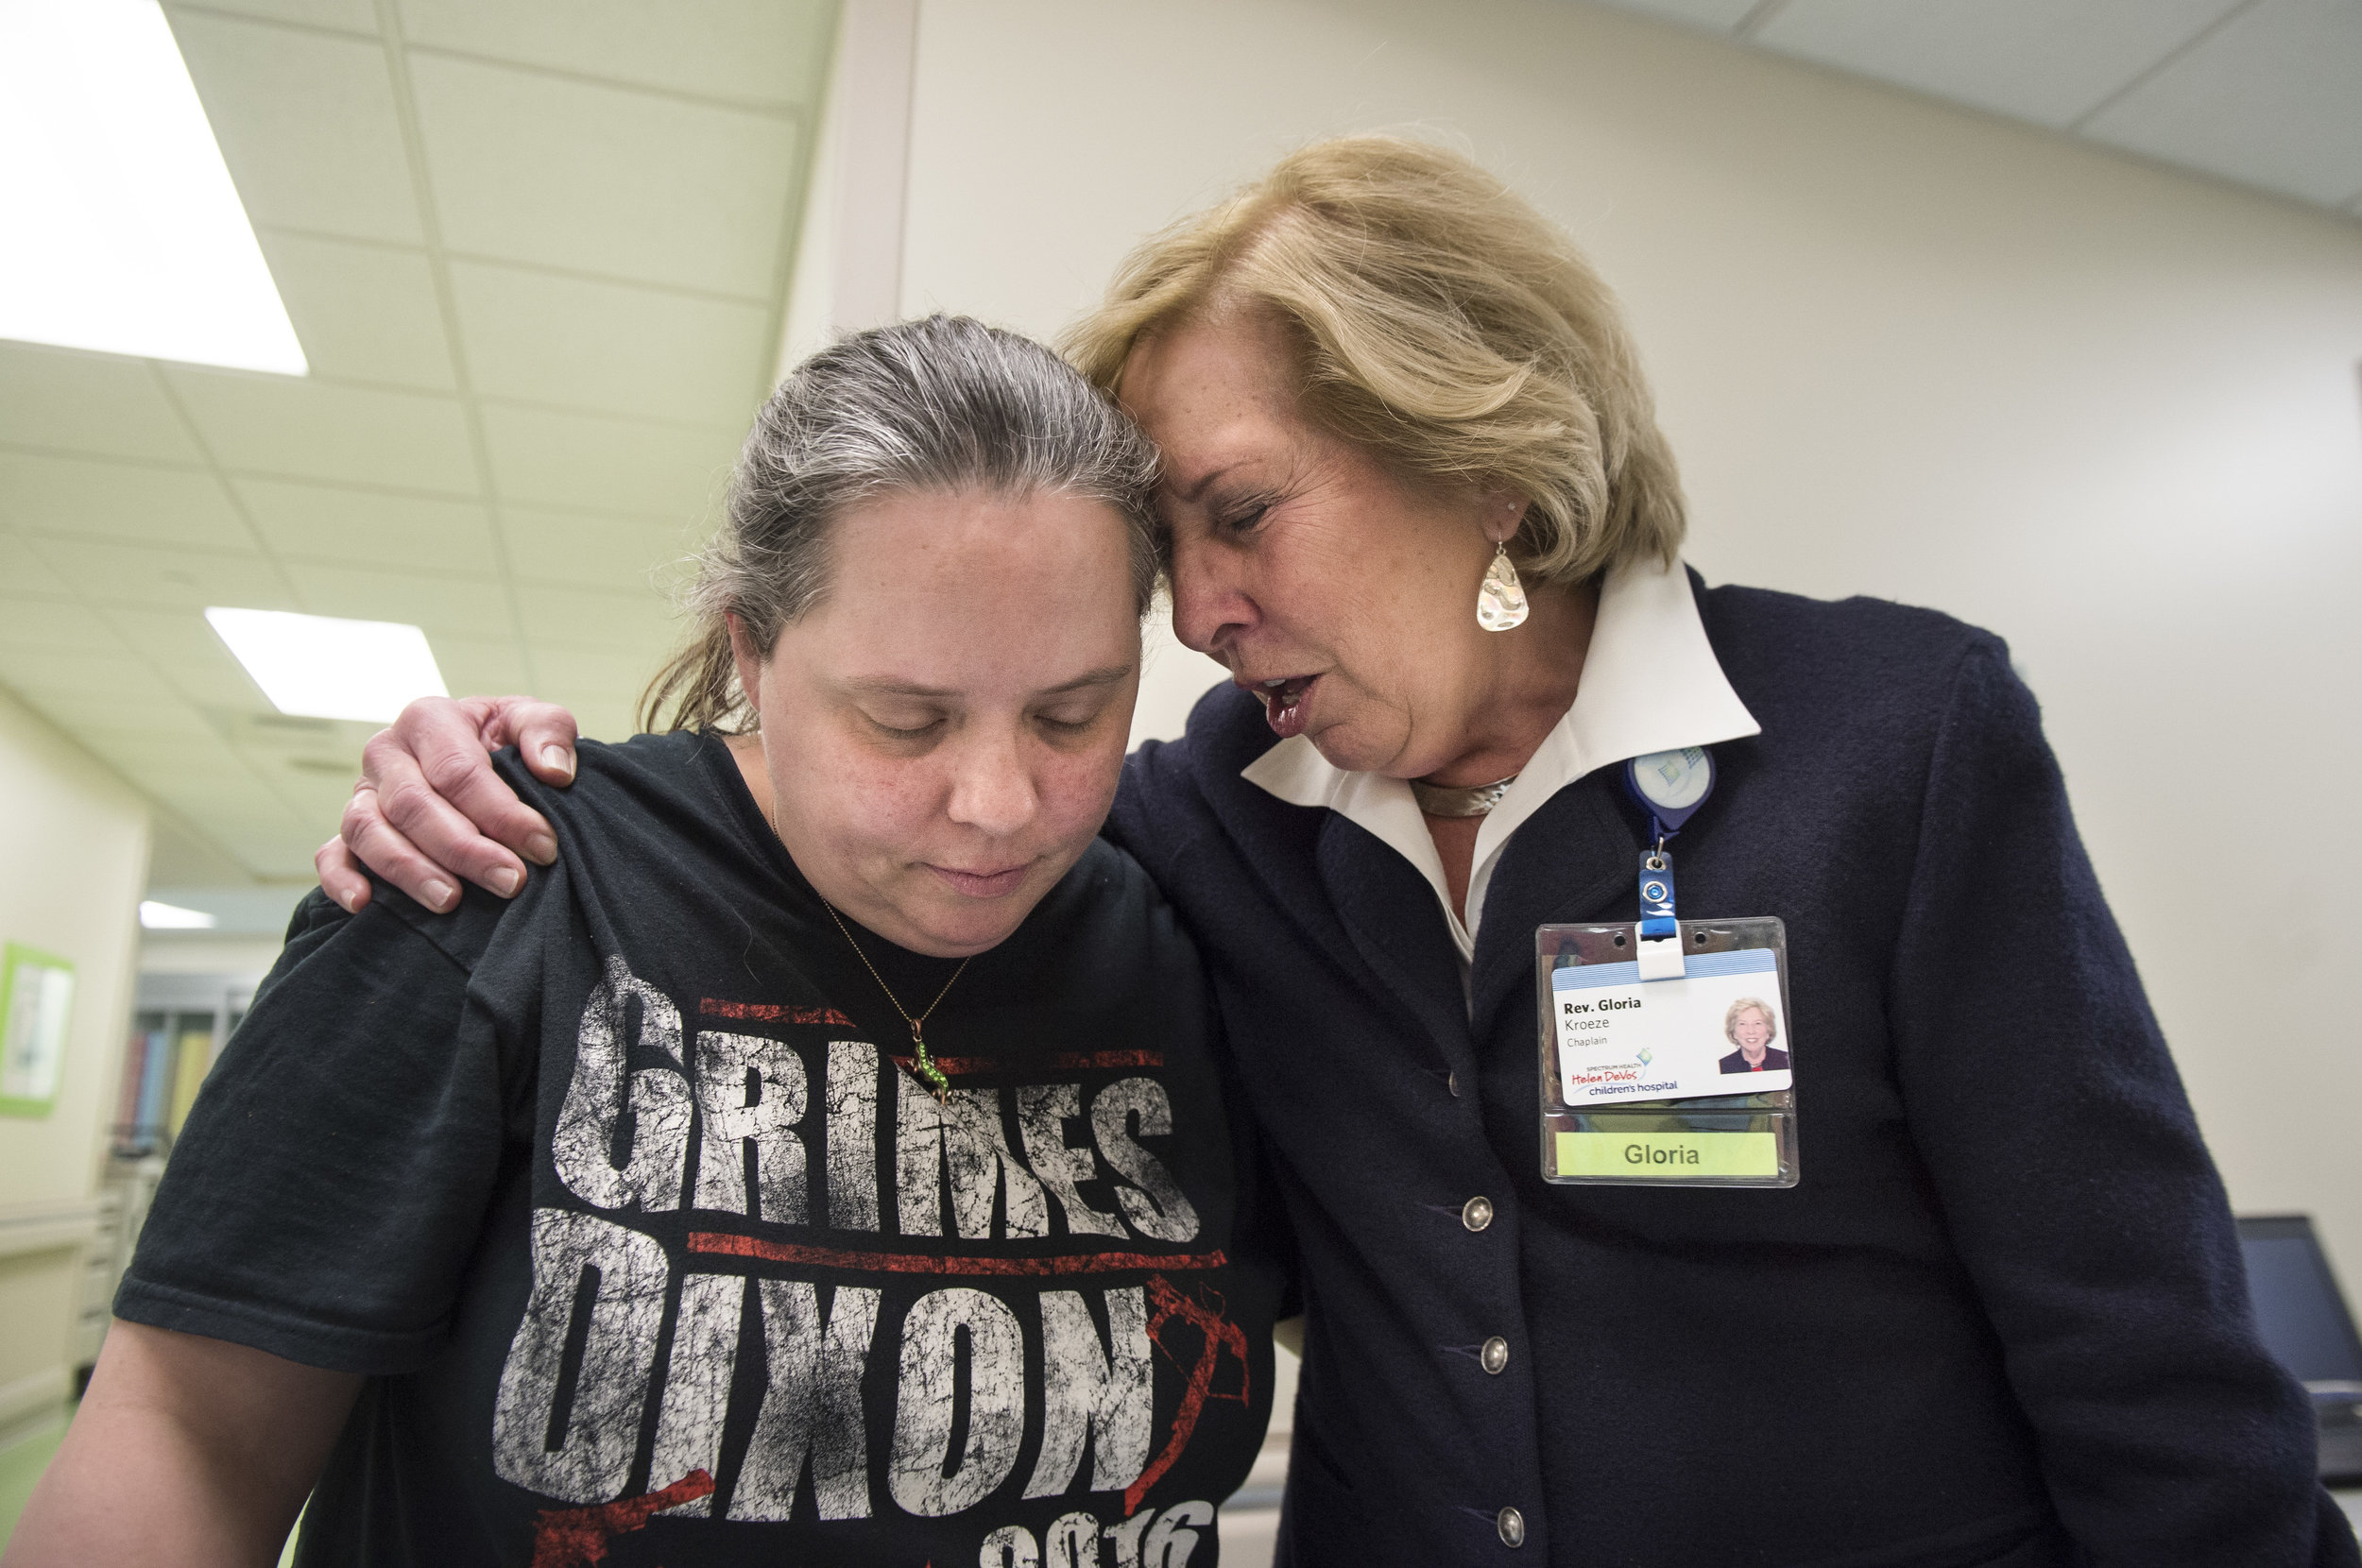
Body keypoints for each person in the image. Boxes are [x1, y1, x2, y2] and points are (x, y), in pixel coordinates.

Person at [317, 138, 2356, 1566]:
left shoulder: (1885, 743)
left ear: (1474, 447)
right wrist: (504, 758)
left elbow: (2141, 1353)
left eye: (1236, 514)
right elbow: (890, 777)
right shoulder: (1210, 808)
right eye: (1165, 552)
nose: (1191, 609)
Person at [9, 318, 1284, 1568]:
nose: (1000, 802)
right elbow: (192, 1434)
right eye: (907, 721)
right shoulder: (500, 881)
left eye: (1073, 713)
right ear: (753, 648)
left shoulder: (1202, 937)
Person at [1718, 998, 1789, 1074]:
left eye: (1758, 1023)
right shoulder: (1722, 1067)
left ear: (1768, 1030)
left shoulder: (1787, 1061)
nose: (1751, 1031)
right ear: (1733, 1032)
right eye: (1742, 1024)